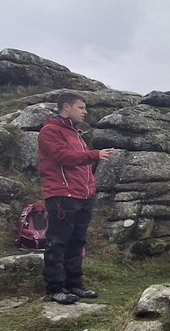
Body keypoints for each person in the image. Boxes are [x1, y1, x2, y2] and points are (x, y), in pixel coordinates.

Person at [38, 92, 114, 305]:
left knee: (77, 241)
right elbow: (63, 157)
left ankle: (75, 285)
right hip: (62, 195)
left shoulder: (76, 134)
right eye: (81, 107)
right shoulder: (50, 131)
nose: (85, 111)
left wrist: (91, 188)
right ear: (66, 107)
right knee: (58, 242)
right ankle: (55, 288)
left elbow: (81, 164)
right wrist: (94, 155)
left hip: (83, 195)